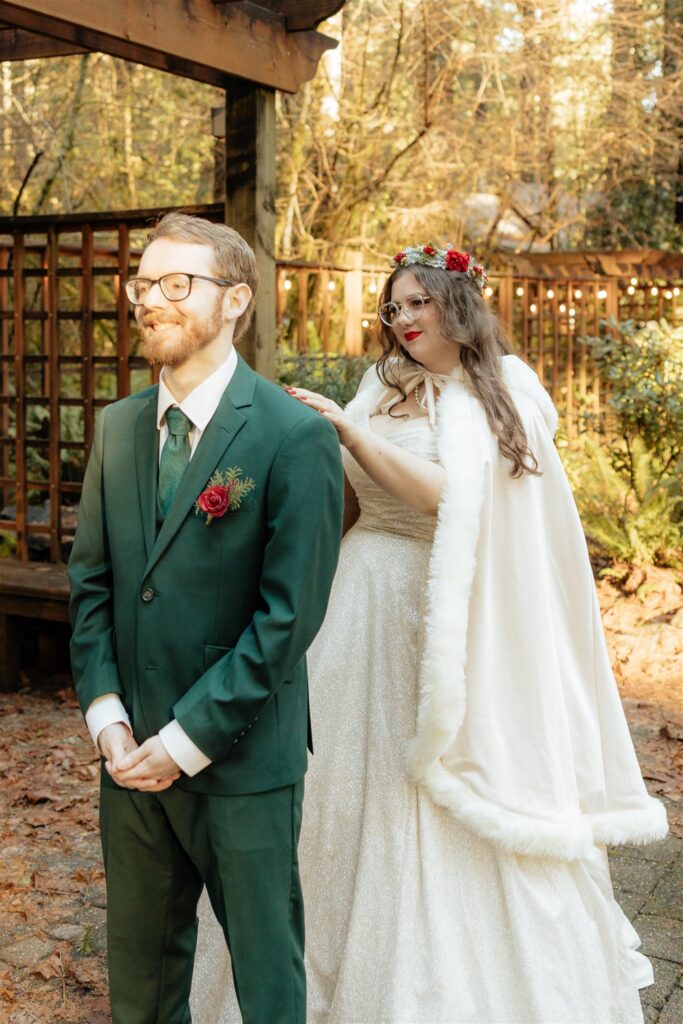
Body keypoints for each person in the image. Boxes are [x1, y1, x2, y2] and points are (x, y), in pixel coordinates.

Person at [191, 242, 668, 1024]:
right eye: (394, 306)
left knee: (429, 785)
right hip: (351, 603)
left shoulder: (501, 393)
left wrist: (348, 433)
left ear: (459, 303)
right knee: (330, 786)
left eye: (418, 301)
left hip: (438, 614)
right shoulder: (380, 387)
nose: (403, 318)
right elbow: (346, 503)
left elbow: (447, 500)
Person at [68, 211, 344, 1024]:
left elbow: (286, 620)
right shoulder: (117, 429)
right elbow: (93, 587)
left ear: (235, 302)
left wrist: (183, 742)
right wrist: (109, 719)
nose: (151, 299)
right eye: (143, 283)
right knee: (141, 984)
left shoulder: (293, 437)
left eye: (176, 284)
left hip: (241, 762)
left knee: (266, 982)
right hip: (129, 766)